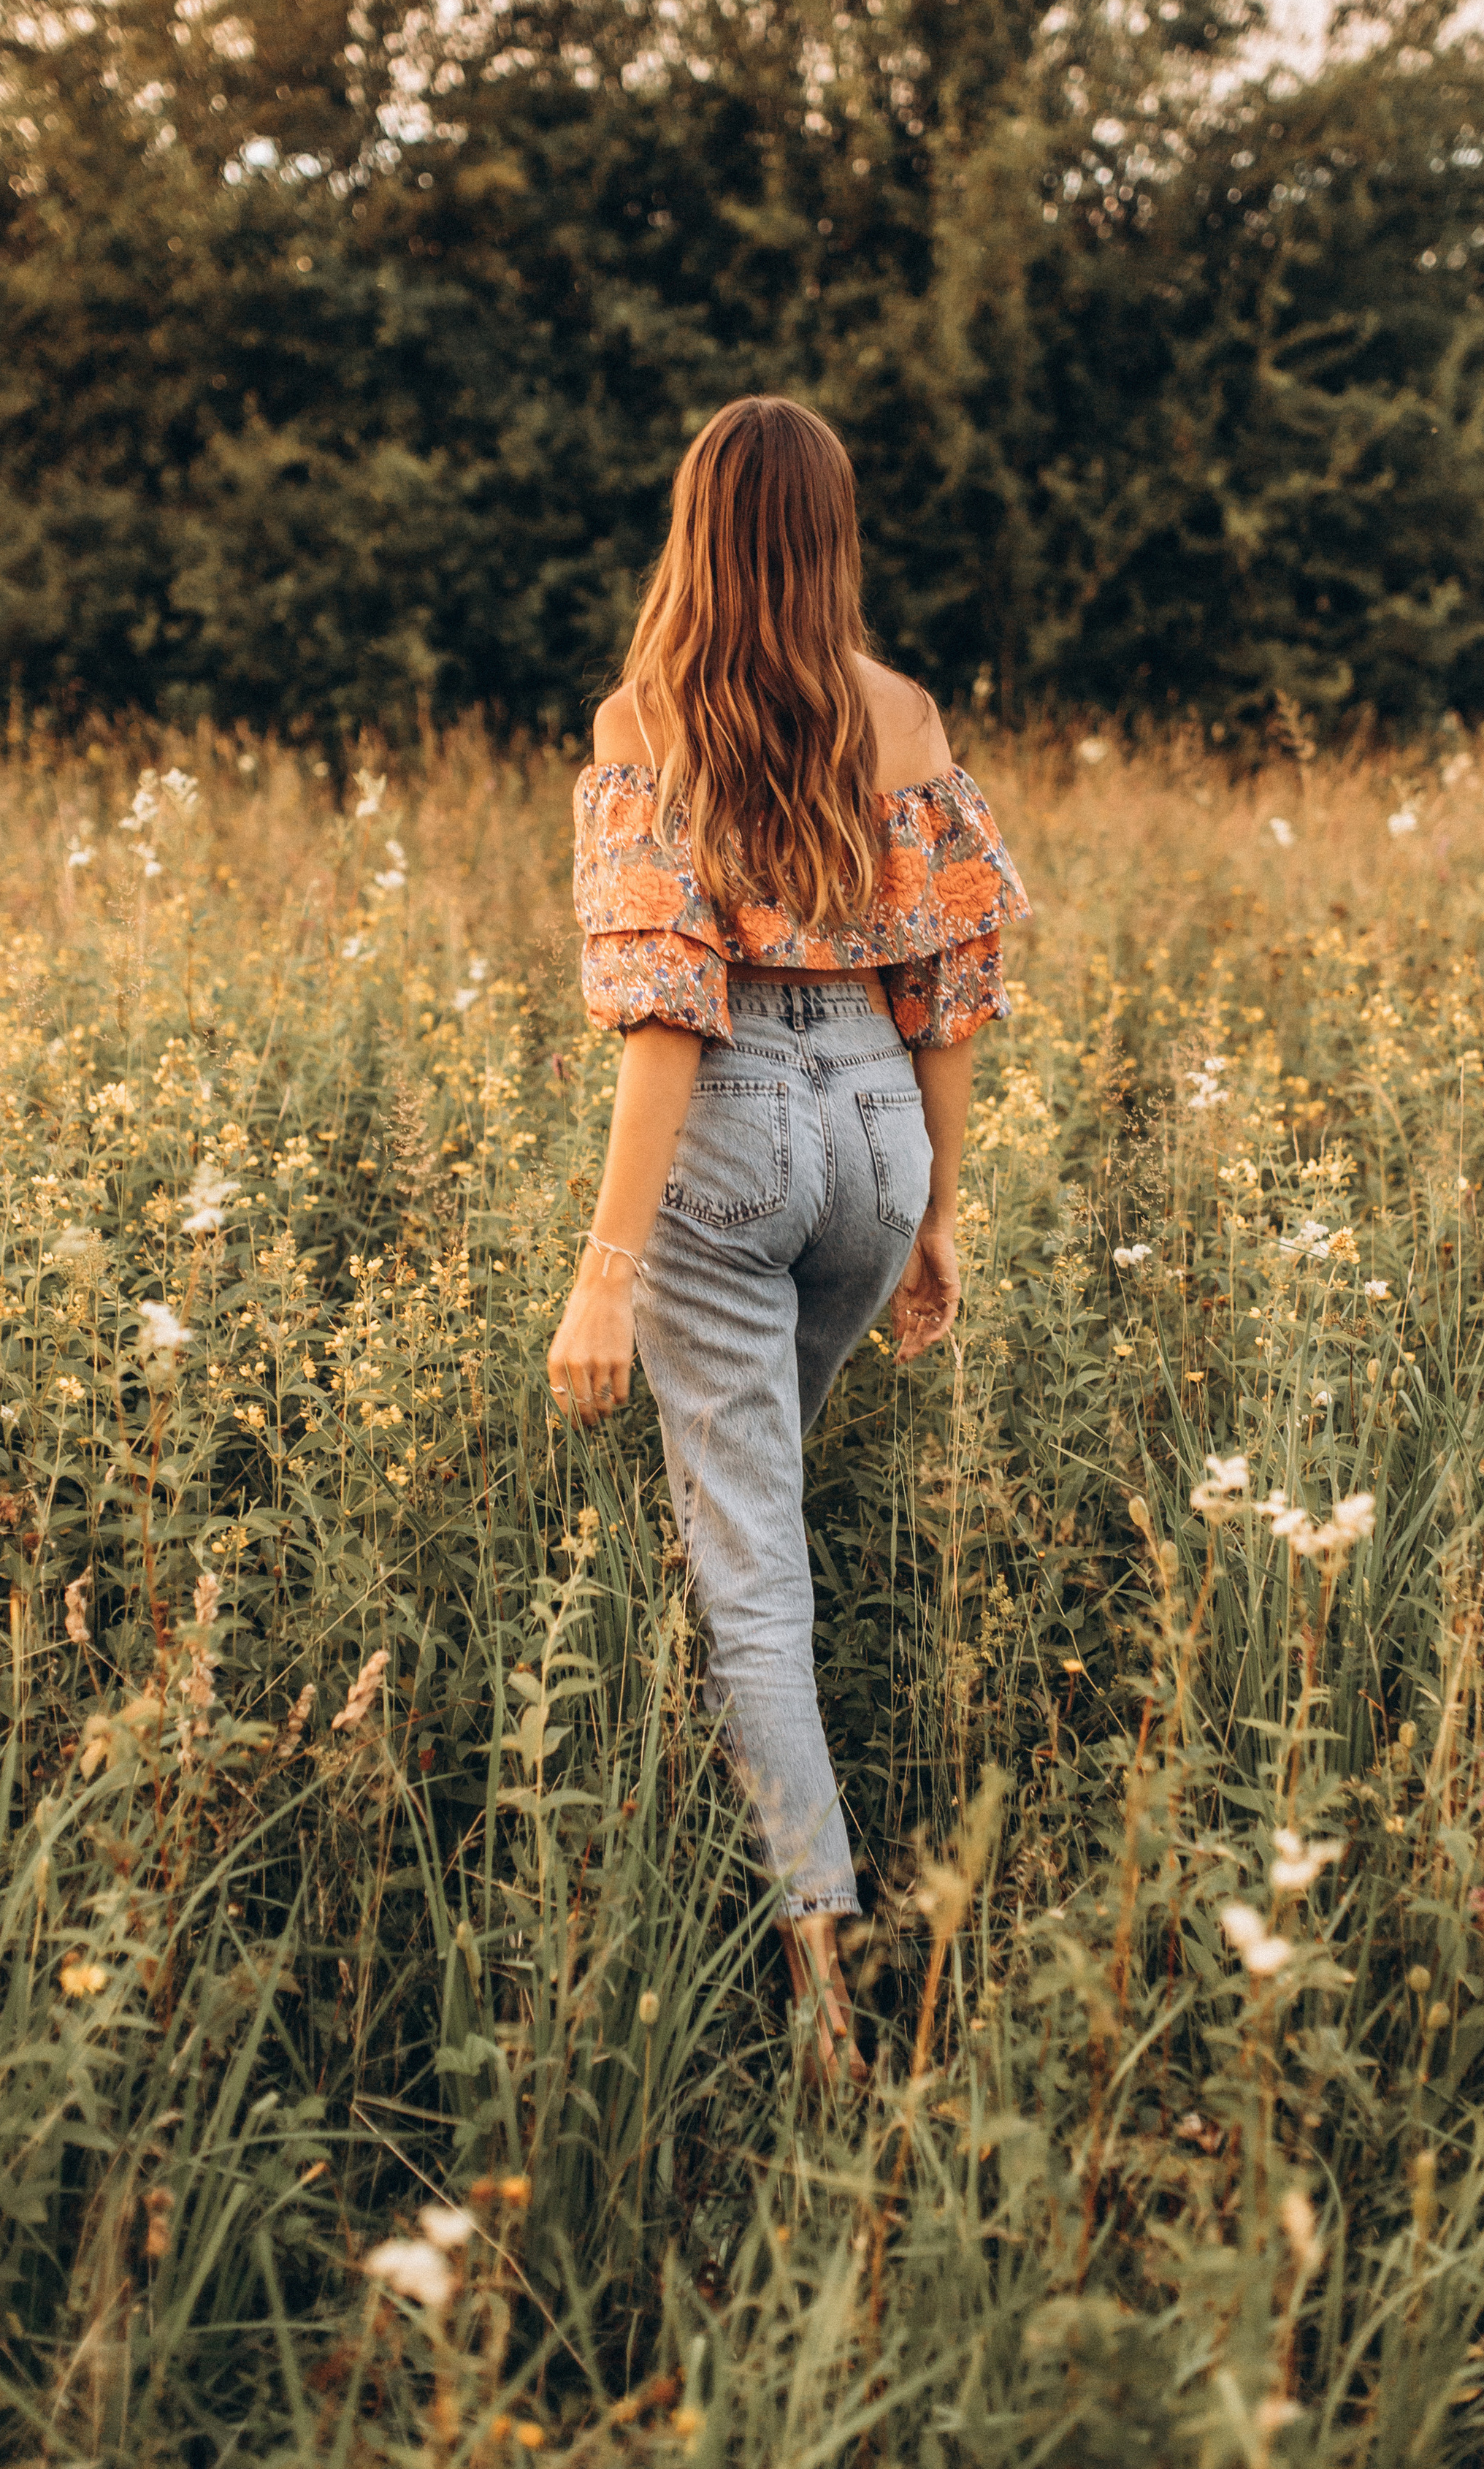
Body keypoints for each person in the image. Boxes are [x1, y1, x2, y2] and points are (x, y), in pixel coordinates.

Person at [546, 395, 1028, 2084]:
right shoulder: (903, 714)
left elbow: (667, 1017)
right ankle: (746, 1770)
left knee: (748, 1564)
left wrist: (600, 1278)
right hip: (878, 1128)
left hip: (734, 1126)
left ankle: (820, 1987)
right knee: (762, 1505)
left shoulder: (646, 719)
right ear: (831, 532)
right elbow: (949, 990)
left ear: (694, 528)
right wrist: (934, 1212)